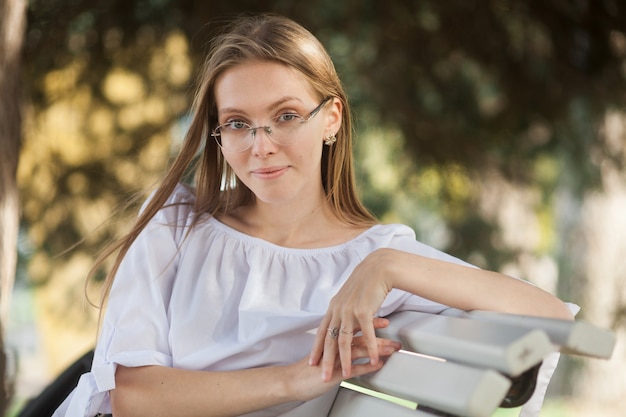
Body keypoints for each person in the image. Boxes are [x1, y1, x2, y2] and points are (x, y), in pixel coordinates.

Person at [52, 13, 574, 417]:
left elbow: (549, 316)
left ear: (331, 118)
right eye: (237, 123)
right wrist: (297, 379)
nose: (261, 147)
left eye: (285, 116)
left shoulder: (373, 255)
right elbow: (134, 398)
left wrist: (386, 267)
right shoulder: (176, 221)